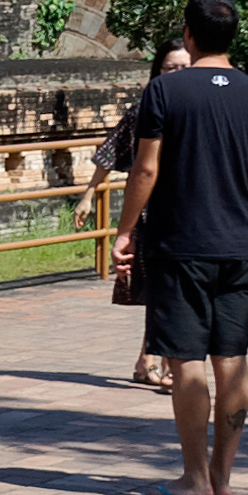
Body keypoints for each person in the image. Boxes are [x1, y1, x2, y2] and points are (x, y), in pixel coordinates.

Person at [111, 0, 248, 495]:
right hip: (237, 246)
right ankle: (224, 479)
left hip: (180, 244)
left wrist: (123, 231)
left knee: (186, 359)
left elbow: (145, 167)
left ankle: (195, 477)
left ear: (188, 33)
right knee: (232, 357)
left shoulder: (166, 92)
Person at [75, 41, 186, 392]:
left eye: (186, 67)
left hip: (188, 211)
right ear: (158, 72)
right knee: (165, 291)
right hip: (151, 214)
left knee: (166, 292)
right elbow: (112, 150)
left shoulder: (200, 106)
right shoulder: (145, 111)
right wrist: (89, 194)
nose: (178, 75)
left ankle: (148, 362)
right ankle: (166, 367)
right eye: (171, 68)